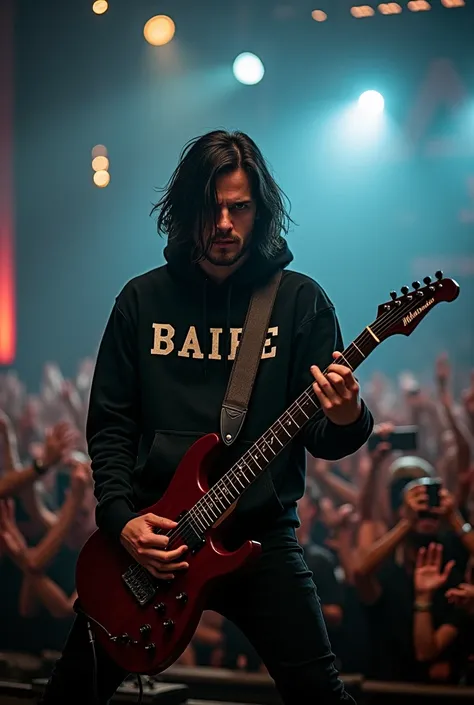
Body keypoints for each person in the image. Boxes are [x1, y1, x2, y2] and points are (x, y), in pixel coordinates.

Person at [40, 130, 373, 704]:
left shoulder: (299, 303)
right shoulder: (141, 301)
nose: (223, 223)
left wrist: (348, 416)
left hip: (258, 538)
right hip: (154, 539)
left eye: (239, 207)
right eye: (210, 207)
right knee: (71, 695)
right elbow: (111, 425)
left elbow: (323, 436)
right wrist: (122, 520)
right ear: (185, 209)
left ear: (259, 210)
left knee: (320, 694)